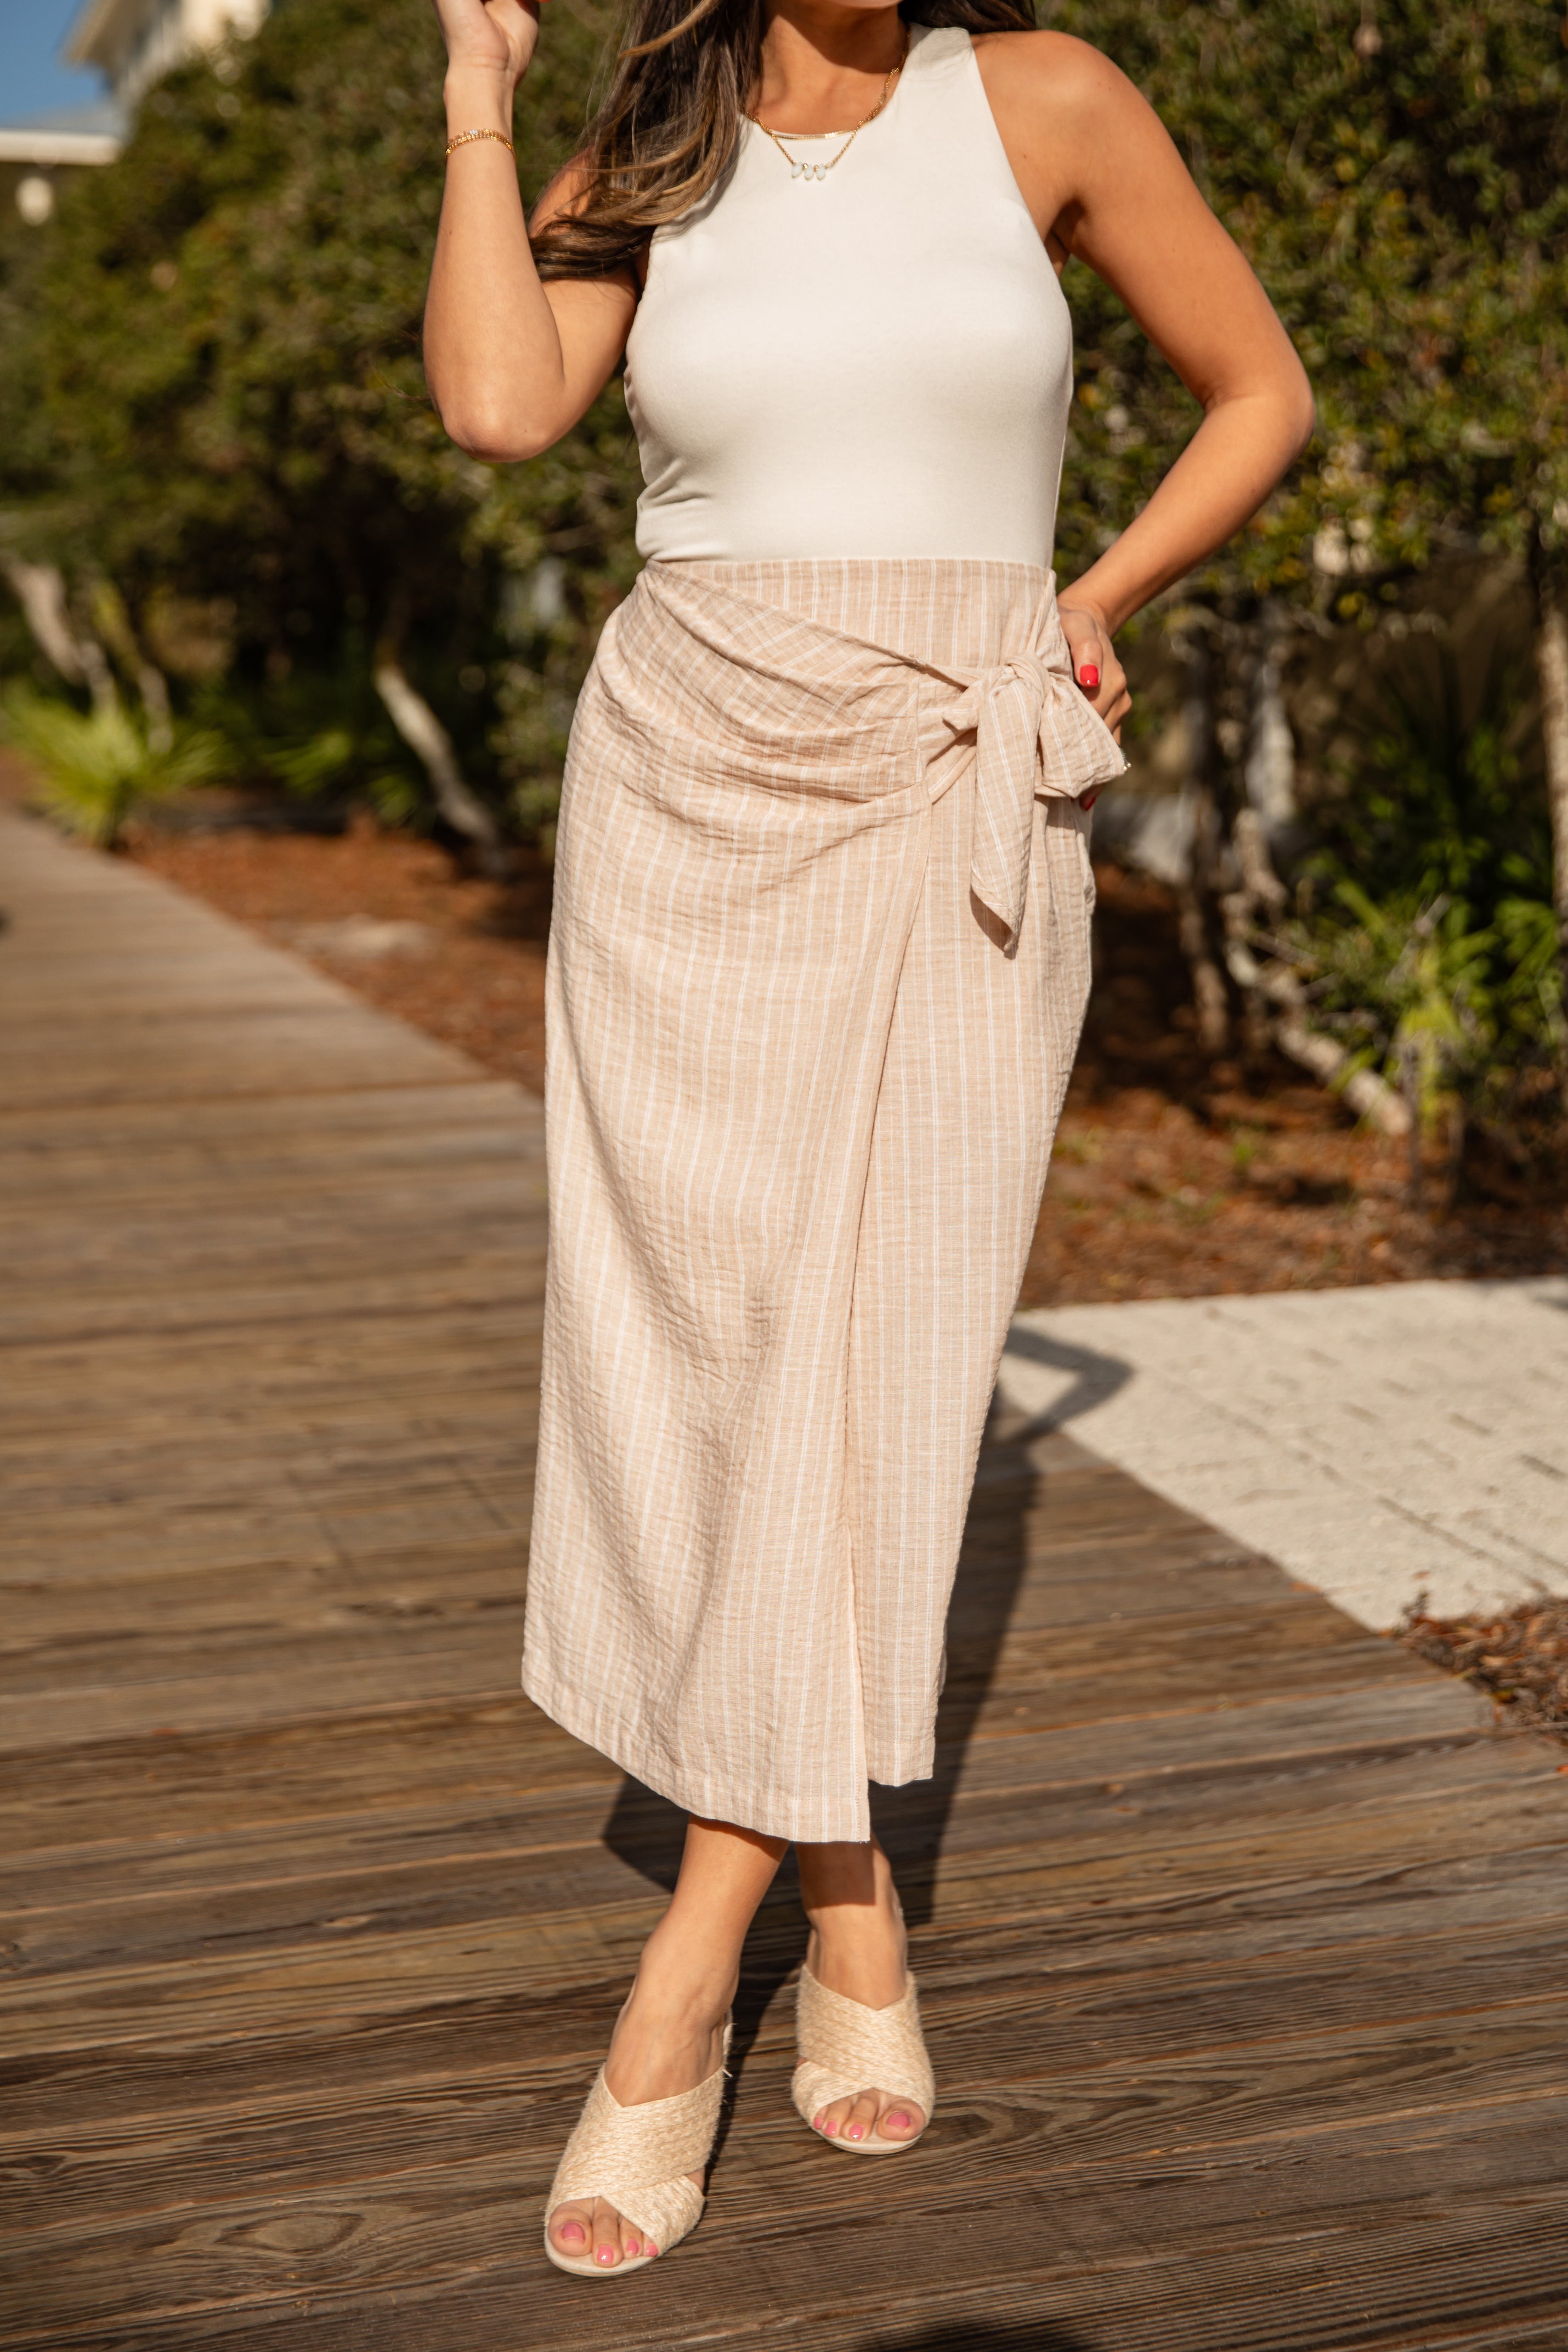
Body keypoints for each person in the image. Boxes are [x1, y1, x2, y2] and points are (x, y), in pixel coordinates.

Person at [425, 0, 1312, 2280]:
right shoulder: (651, 127)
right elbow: (503, 406)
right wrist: (475, 86)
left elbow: (1262, 395)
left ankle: (676, 1980)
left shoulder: (1050, 97)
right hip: (687, 785)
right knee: (712, 1339)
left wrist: (1089, 600)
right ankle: (845, 1880)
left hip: (950, 768)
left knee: (882, 1340)